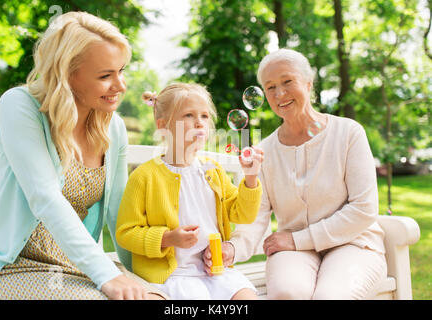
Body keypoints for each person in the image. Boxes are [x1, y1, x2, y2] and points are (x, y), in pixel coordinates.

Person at [0, 11, 166, 300]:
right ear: (67, 74)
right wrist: (107, 276)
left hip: (77, 264)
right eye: (106, 75)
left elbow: (120, 213)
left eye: (121, 70)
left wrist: (142, 275)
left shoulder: (112, 126)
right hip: (12, 266)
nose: (120, 85)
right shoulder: (19, 106)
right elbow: (45, 197)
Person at [225, 48, 387, 299]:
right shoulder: (264, 151)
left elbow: (364, 209)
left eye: (288, 81)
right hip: (293, 252)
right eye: (270, 87)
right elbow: (256, 218)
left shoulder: (349, 133)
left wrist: (298, 239)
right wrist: (233, 248)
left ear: (309, 83)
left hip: (354, 243)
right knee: (287, 293)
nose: (280, 94)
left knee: (330, 296)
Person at [115, 83, 264, 300]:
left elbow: (243, 214)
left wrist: (250, 179)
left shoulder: (213, 171)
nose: (199, 123)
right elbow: (126, 233)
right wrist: (167, 238)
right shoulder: (145, 176)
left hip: (215, 271)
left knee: (247, 298)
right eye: (188, 115)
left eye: (204, 116)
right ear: (163, 125)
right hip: (174, 275)